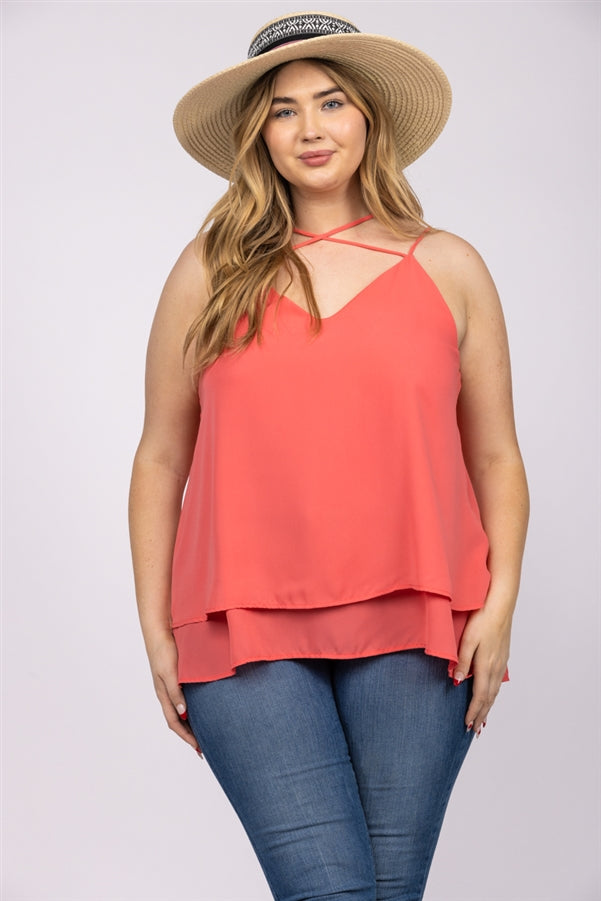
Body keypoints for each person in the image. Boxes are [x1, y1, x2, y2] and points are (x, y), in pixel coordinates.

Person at [129, 11, 529, 901]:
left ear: (368, 118)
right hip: (240, 629)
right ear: (258, 135)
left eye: (331, 101)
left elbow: (496, 455)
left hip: (421, 626)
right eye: (283, 110)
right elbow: (159, 458)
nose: (309, 129)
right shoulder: (208, 270)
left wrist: (499, 602)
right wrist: (156, 628)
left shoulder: (448, 266)